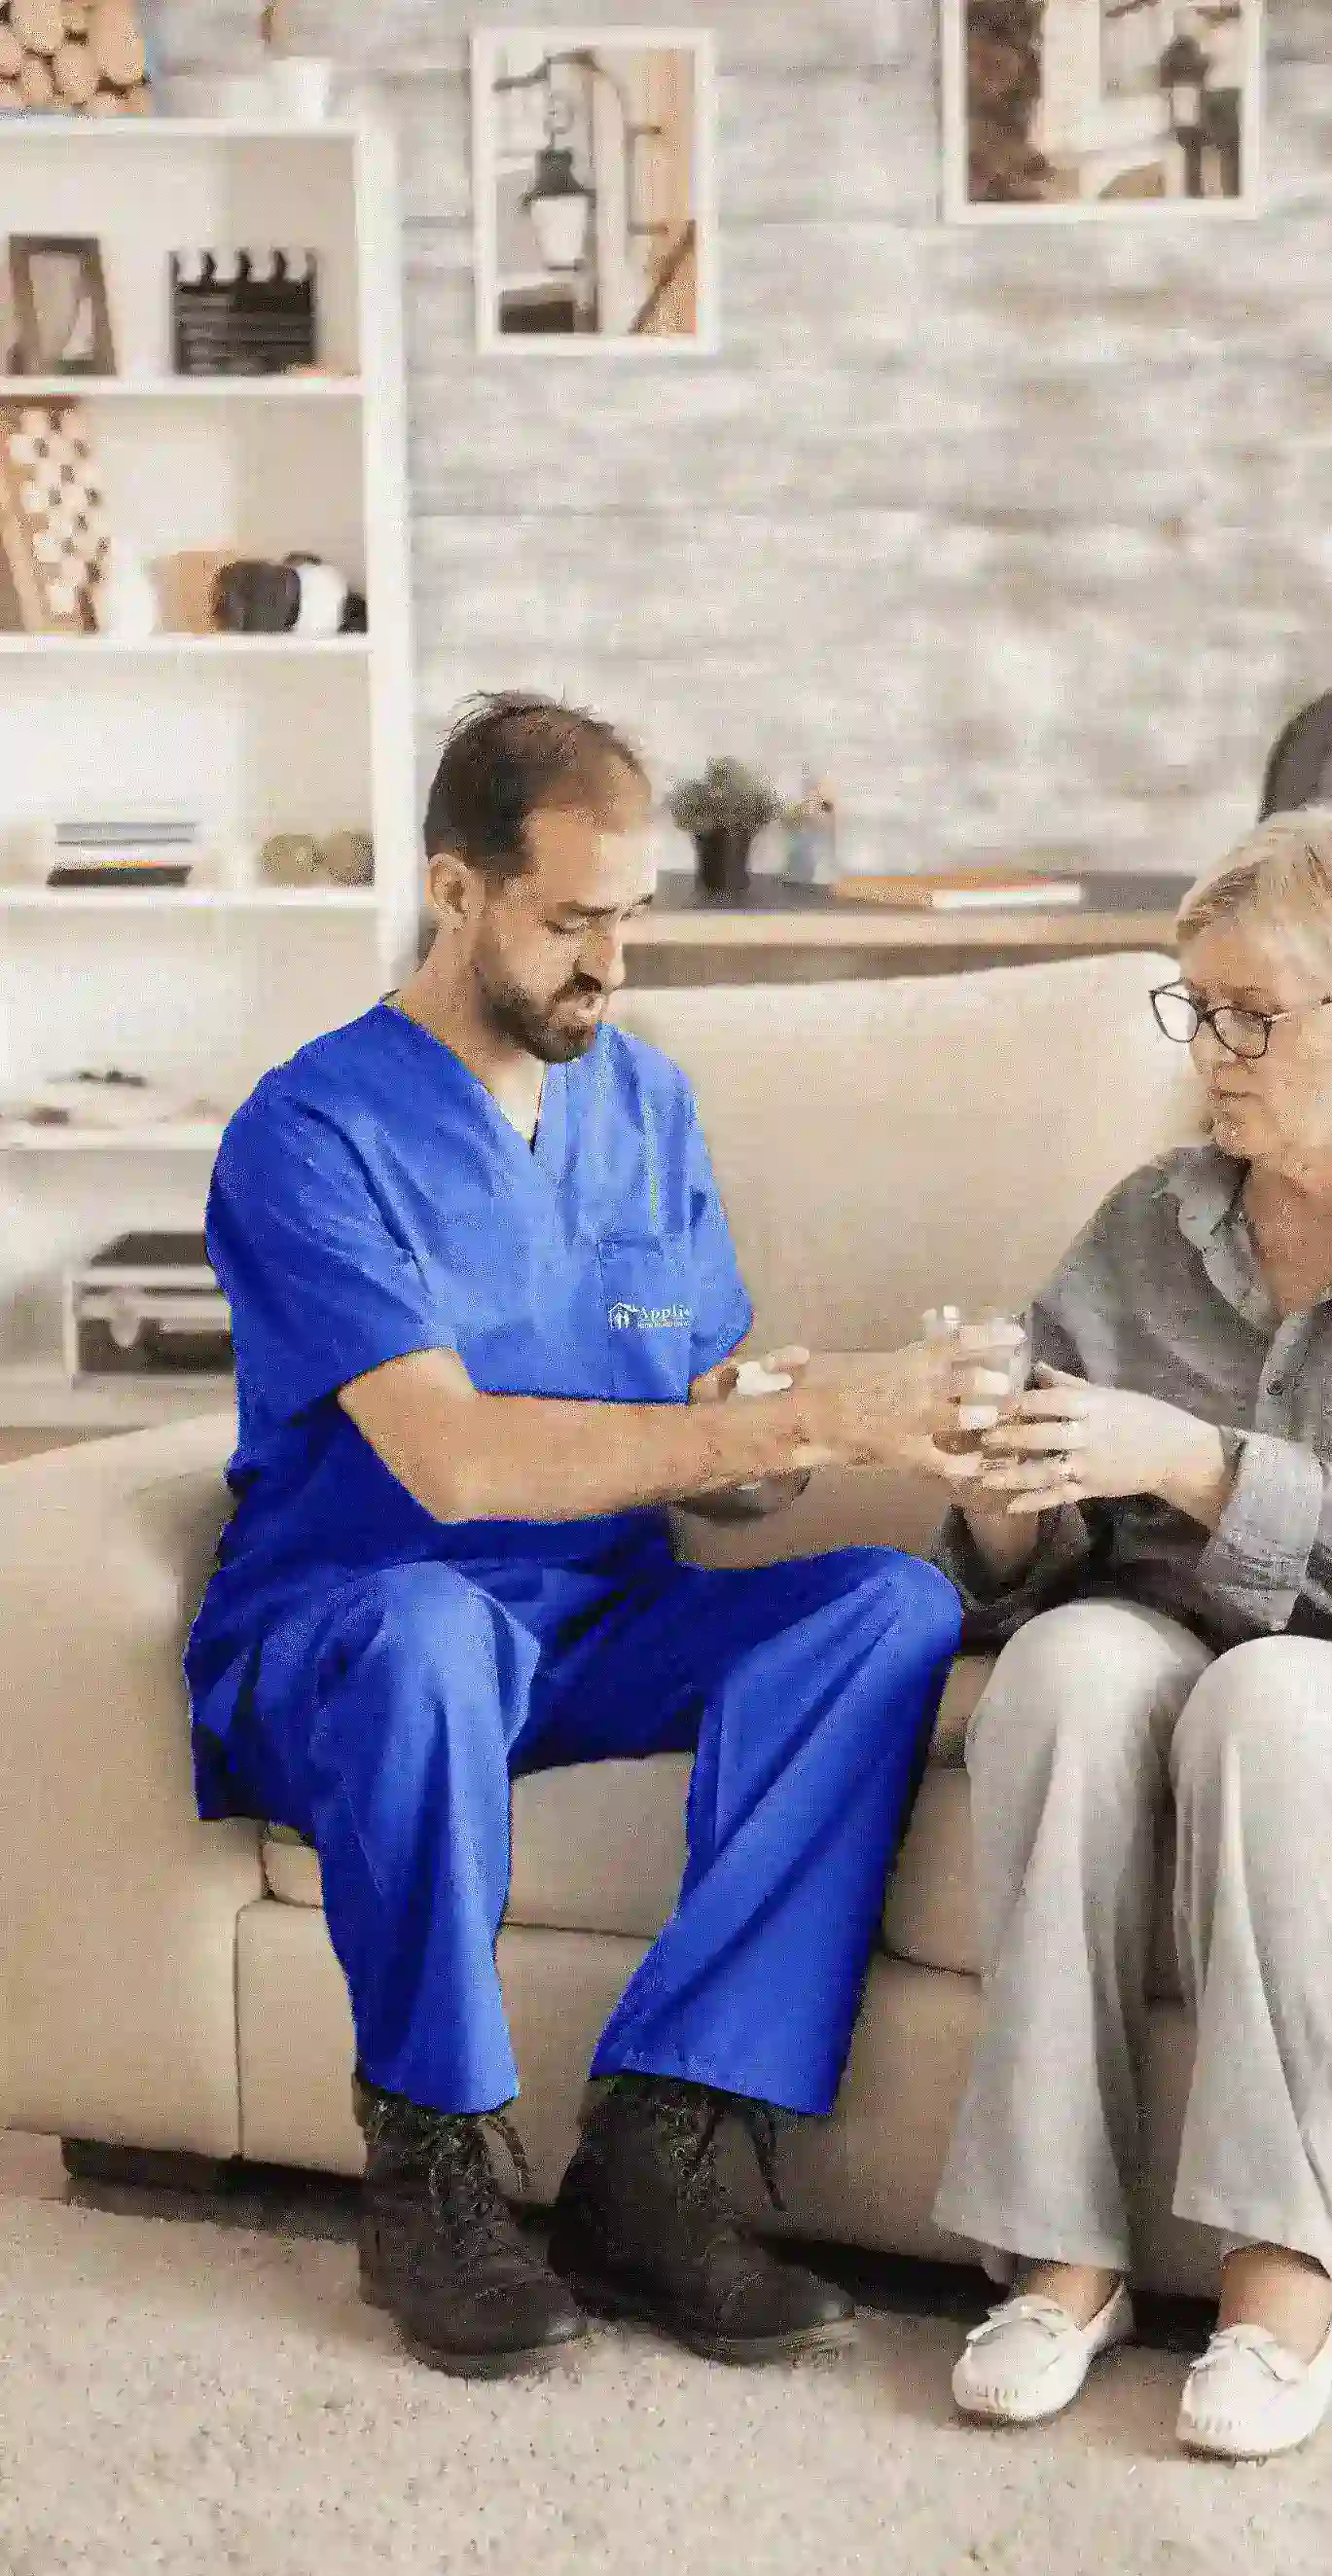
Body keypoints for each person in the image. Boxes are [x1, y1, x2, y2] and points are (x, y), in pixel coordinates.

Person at [183, 692, 1015, 2382]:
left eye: (630, 922)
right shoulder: (310, 1134)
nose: (611, 968)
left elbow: (700, 1417)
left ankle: (658, 2150)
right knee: (431, 1635)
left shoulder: (643, 1107)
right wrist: (781, 1422)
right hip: (359, 1628)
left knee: (883, 1608)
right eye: (572, 923)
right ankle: (431, 2168)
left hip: (595, 1630)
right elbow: (454, 1461)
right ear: (455, 890)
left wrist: (809, 1429)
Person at [927, 809, 1332, 2460]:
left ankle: (1279, 2284)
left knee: (1270, 1704)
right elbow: (1034, 1550)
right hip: (1176, 1637)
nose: (1211, 1051)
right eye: (1192, 1007)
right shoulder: (1152, 1216)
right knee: (1068, 1670)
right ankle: (1062, 2263)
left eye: (1253, 1014)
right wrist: (1002, 1470)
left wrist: (1199, 1462)